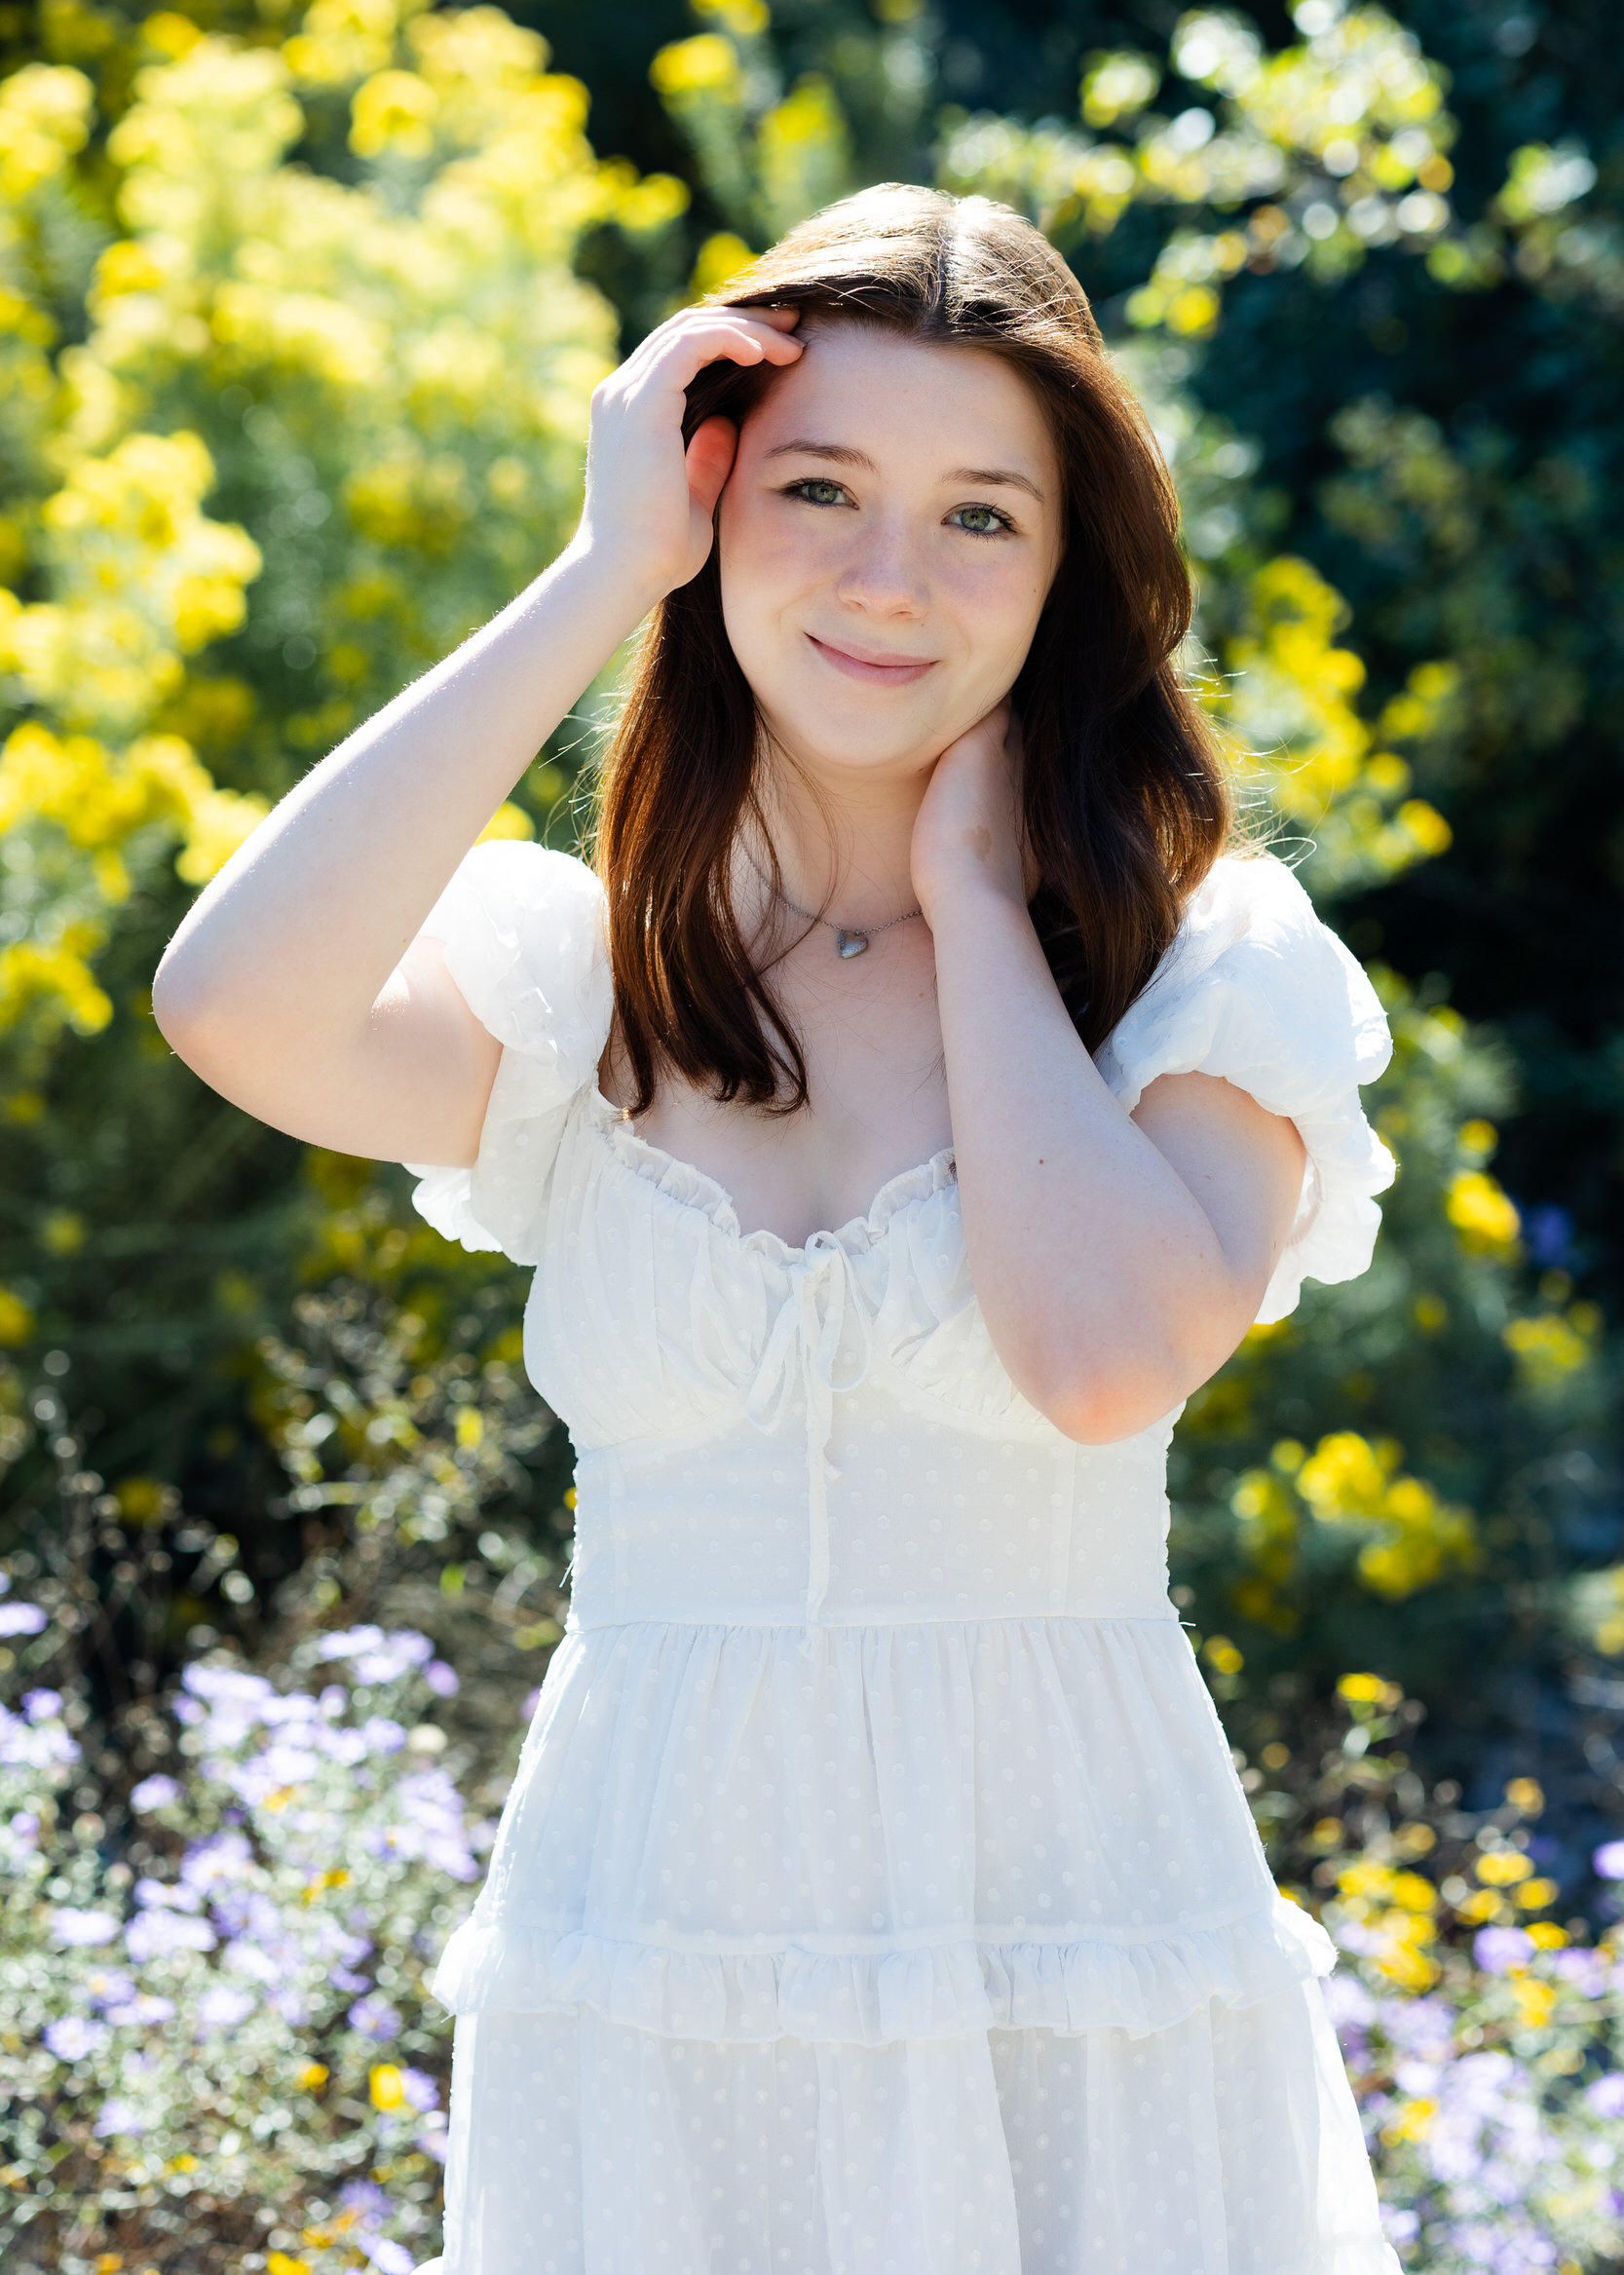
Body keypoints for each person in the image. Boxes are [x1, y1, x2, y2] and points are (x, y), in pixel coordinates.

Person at [154, 184, 1401, 2274]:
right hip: (651, 1971)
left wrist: (987, 908)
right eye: (819, 485)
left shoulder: (1194, 965)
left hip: (1066, 1956)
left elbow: (1102, 1357)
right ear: (714, 498)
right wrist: (595, 567)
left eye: (980, 514)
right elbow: (233, 1003)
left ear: (1065, 565)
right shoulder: (591, 982)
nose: (888, 578)